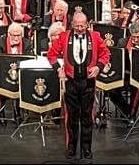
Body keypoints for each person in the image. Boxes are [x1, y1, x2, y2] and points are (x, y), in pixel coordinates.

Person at [47, 12, 110, 159]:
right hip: (71, 82)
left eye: (83, 25)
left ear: (87, 24)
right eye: (77, 25)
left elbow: (105, 53)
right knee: (72, 117)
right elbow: (51, 54)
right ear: (72, 25)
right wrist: (58, 68)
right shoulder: (63, 37)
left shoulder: (95, 36)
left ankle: (87, 148)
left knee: (87, 117)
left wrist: (98, 67)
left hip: (88, 82)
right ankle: (71, 147)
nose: (80, 28)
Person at [109, 22, 139, 121]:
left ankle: (131, 115)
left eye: (138, 37)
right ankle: (127, 111)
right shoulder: (122, 42)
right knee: (111, 90)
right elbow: (118, 59)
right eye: (133, 37)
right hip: (125, 74)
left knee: (136, 88)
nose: (135, 40)